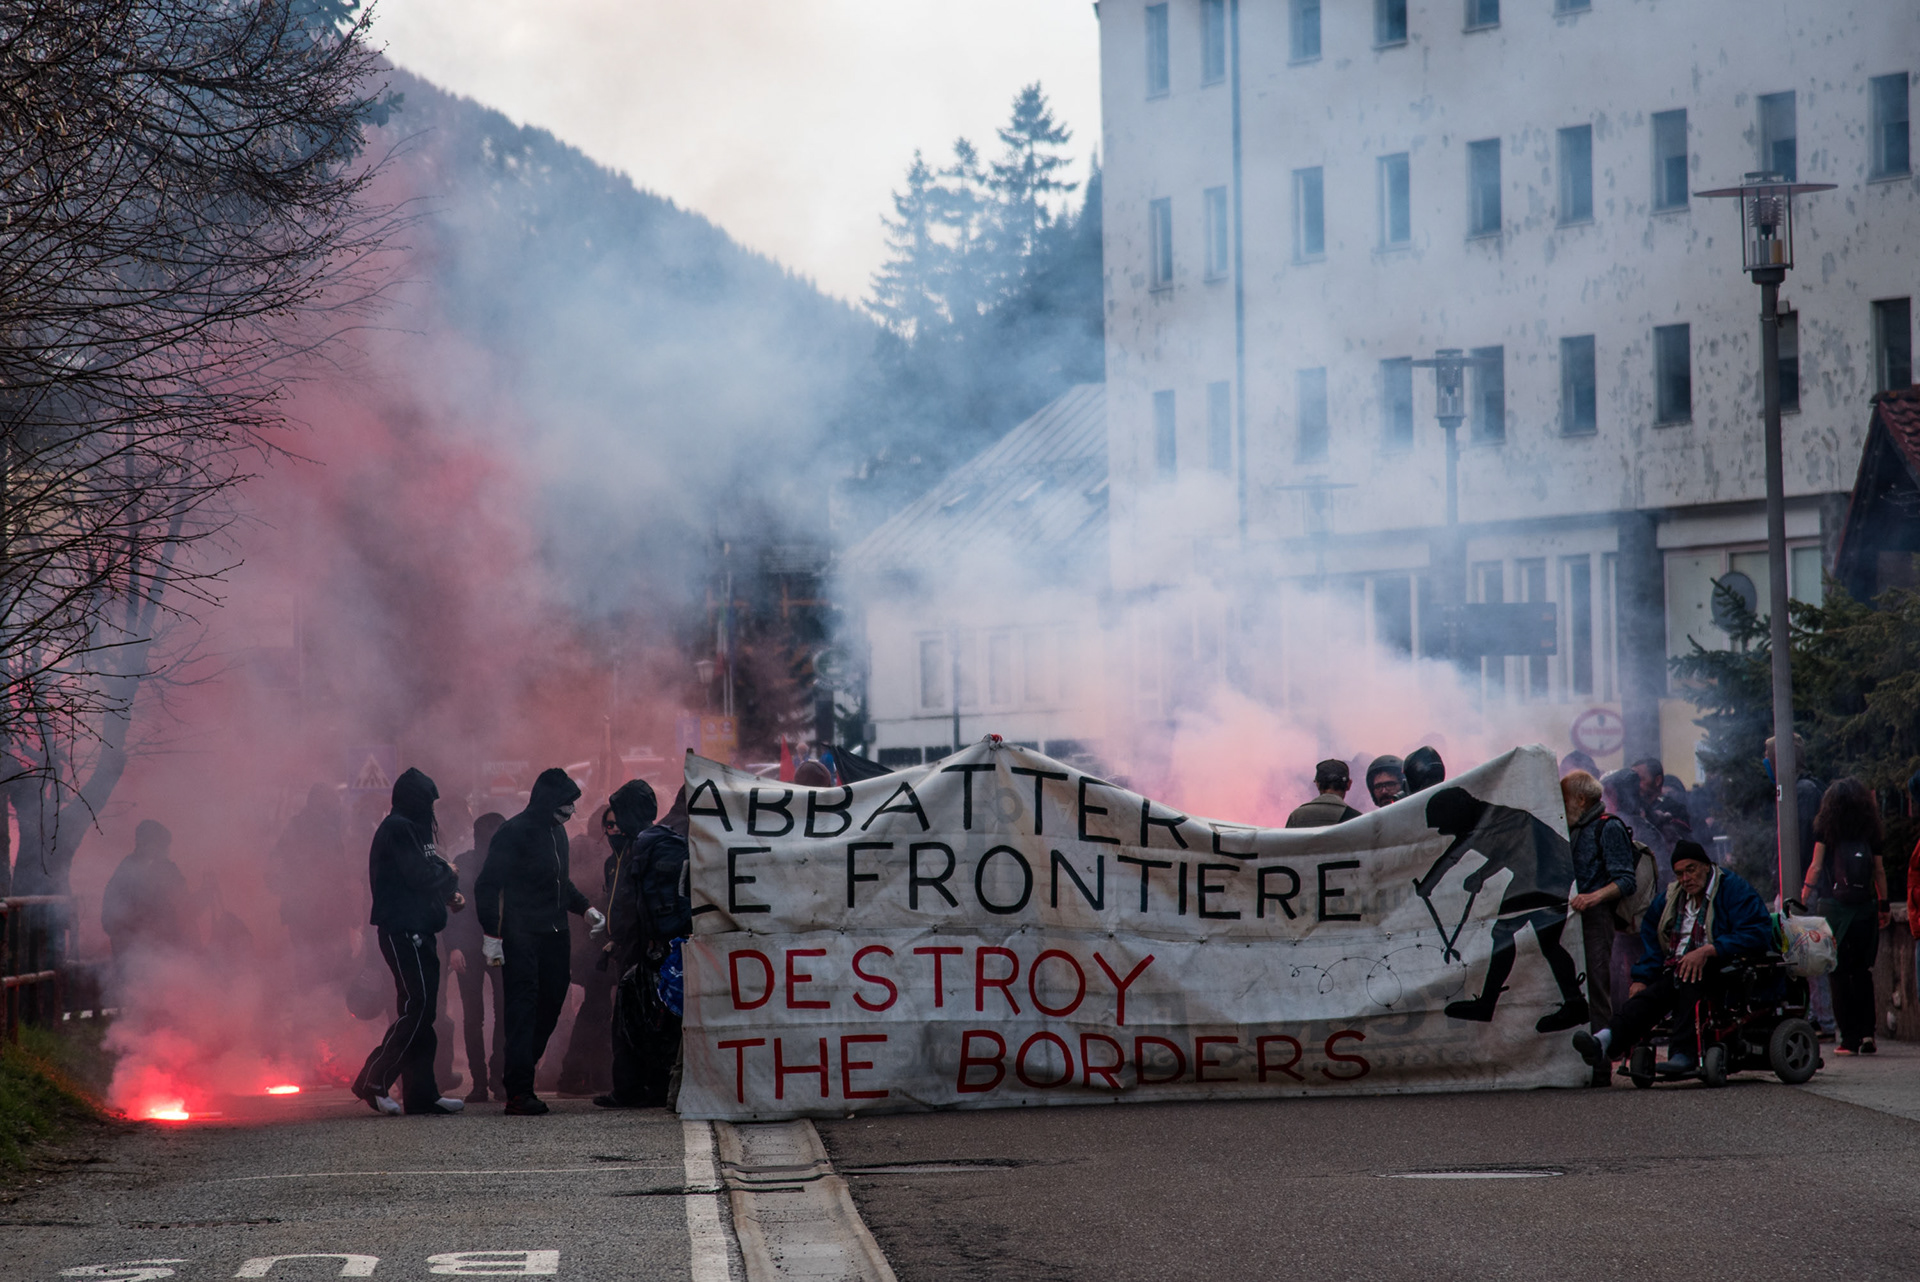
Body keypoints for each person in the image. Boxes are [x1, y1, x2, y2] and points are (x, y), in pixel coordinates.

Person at [1573, 839, 1773, 1074]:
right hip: (1679, 968)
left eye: (1691, 869)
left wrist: (1709, 950)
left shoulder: (1733, 889)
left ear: (1706, 866)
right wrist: (1642, 977)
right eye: (1680, 873)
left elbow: (1757, 932)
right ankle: (1604, 1040)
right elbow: (1652, 937)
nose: (1685, 878)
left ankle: (1684, 1053)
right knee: (1648, 995)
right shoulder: (1671, 897)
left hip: (1725, 967)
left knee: (1689, 976)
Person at [476, 766, 605, 1115]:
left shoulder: (558, 834)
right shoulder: (513, 833)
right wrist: (491, 934)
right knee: (522, 1008)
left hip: (555, 934)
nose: (571, 811)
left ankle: (519, 1072)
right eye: (567, 804)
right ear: (549, 800)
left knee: (550, 1004)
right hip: (521, 935)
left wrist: (585, 909)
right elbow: (487, 885)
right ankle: (518, 1091)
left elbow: (561, 883)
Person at [1415, 786, 1587, 1032]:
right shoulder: (1487, 818)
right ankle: (1575, 1003)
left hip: (1541, 875)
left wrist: (1435, 884)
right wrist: (1440, 883)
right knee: (1547, 942)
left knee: (1506, 934)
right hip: (1547, 873)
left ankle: (1488, 1004)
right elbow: (1481, 853)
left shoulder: (1491, 820)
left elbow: (1467, 855)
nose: (1449, 832)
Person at [351, 767, 467, 1116]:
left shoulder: (413, 829)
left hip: (421, 927)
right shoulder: (399, 829)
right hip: (404, 930)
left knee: (426, 1012)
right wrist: (450, 873)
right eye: (427, 802)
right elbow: (420, 874)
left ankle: (422, 1092)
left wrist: (447, 893)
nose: (431, 810)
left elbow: (424, 874)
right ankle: (374, 1080)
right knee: (416, 1007)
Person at [600, 782, 689, 1109]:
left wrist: (619, 939)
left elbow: (628, 903)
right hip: (666, 945)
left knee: (627, 1019)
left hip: (639, 947)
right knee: (661, 1018)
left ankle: (627, 1088)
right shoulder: (665, 839)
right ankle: (658, 1084)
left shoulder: (640, 846)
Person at [1799, 777, 1889, 1055]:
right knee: (1862, 972)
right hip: (1864, 909)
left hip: (1834, 910)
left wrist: (1803, 895)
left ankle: (1847, 1039)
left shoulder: (1826, 828)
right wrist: (1883, 905)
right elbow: (1879, 871)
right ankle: (1867, 1034)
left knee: (1838, 973)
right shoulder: (1871, 829)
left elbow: (1815, 867)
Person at [1561, 770, 1636, 1082]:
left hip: (1595, 917)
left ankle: (1600, 1065)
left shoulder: (1608, 827)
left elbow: (1626, 880)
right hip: (1573, 916)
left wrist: (1592, 898)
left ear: (1580, 799)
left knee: (1596, 989)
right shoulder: (1577, 829)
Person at [556, 805, 619, 1096]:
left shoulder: (580, 847)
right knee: (597, 1009)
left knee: (597, 1009)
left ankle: (589, 1074)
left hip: (585, 944)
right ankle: (578, 1073)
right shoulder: (592, 851)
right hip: (594, 944)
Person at [446, 812, 507, 1102]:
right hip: (473, 946)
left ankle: (493, 1078)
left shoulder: (503, 862)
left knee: (497, 1013)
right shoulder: (466, 863)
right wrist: (454, 946)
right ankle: (483, 1081)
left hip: (495, 944)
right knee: (477, 1016)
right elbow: (454, 908)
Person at [266, 784, 355, 981]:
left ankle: (307, 1007)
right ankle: (322, 1007)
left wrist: (288, 892)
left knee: (305, 965)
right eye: (333, 804)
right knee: (327, 967)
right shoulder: (327, 832)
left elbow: (274, 866)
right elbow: (339, 871)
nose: (337, 808)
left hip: (298, 911)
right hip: (324, 911)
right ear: (323, 805)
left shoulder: (293, 826)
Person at [101, 820, 191, 984]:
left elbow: (181, 897)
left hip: (148, 950)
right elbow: (114, 918)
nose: (166, 851)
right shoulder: (131, 872)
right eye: (163, 846)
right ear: (149, 844)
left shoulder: (153, 868)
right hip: (137, 952)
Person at [1285, 760, 1362, 828]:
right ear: (1349, 784)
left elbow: (1286, 843)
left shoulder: (1297, 816)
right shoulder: (1358, 820)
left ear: (1317, 784)